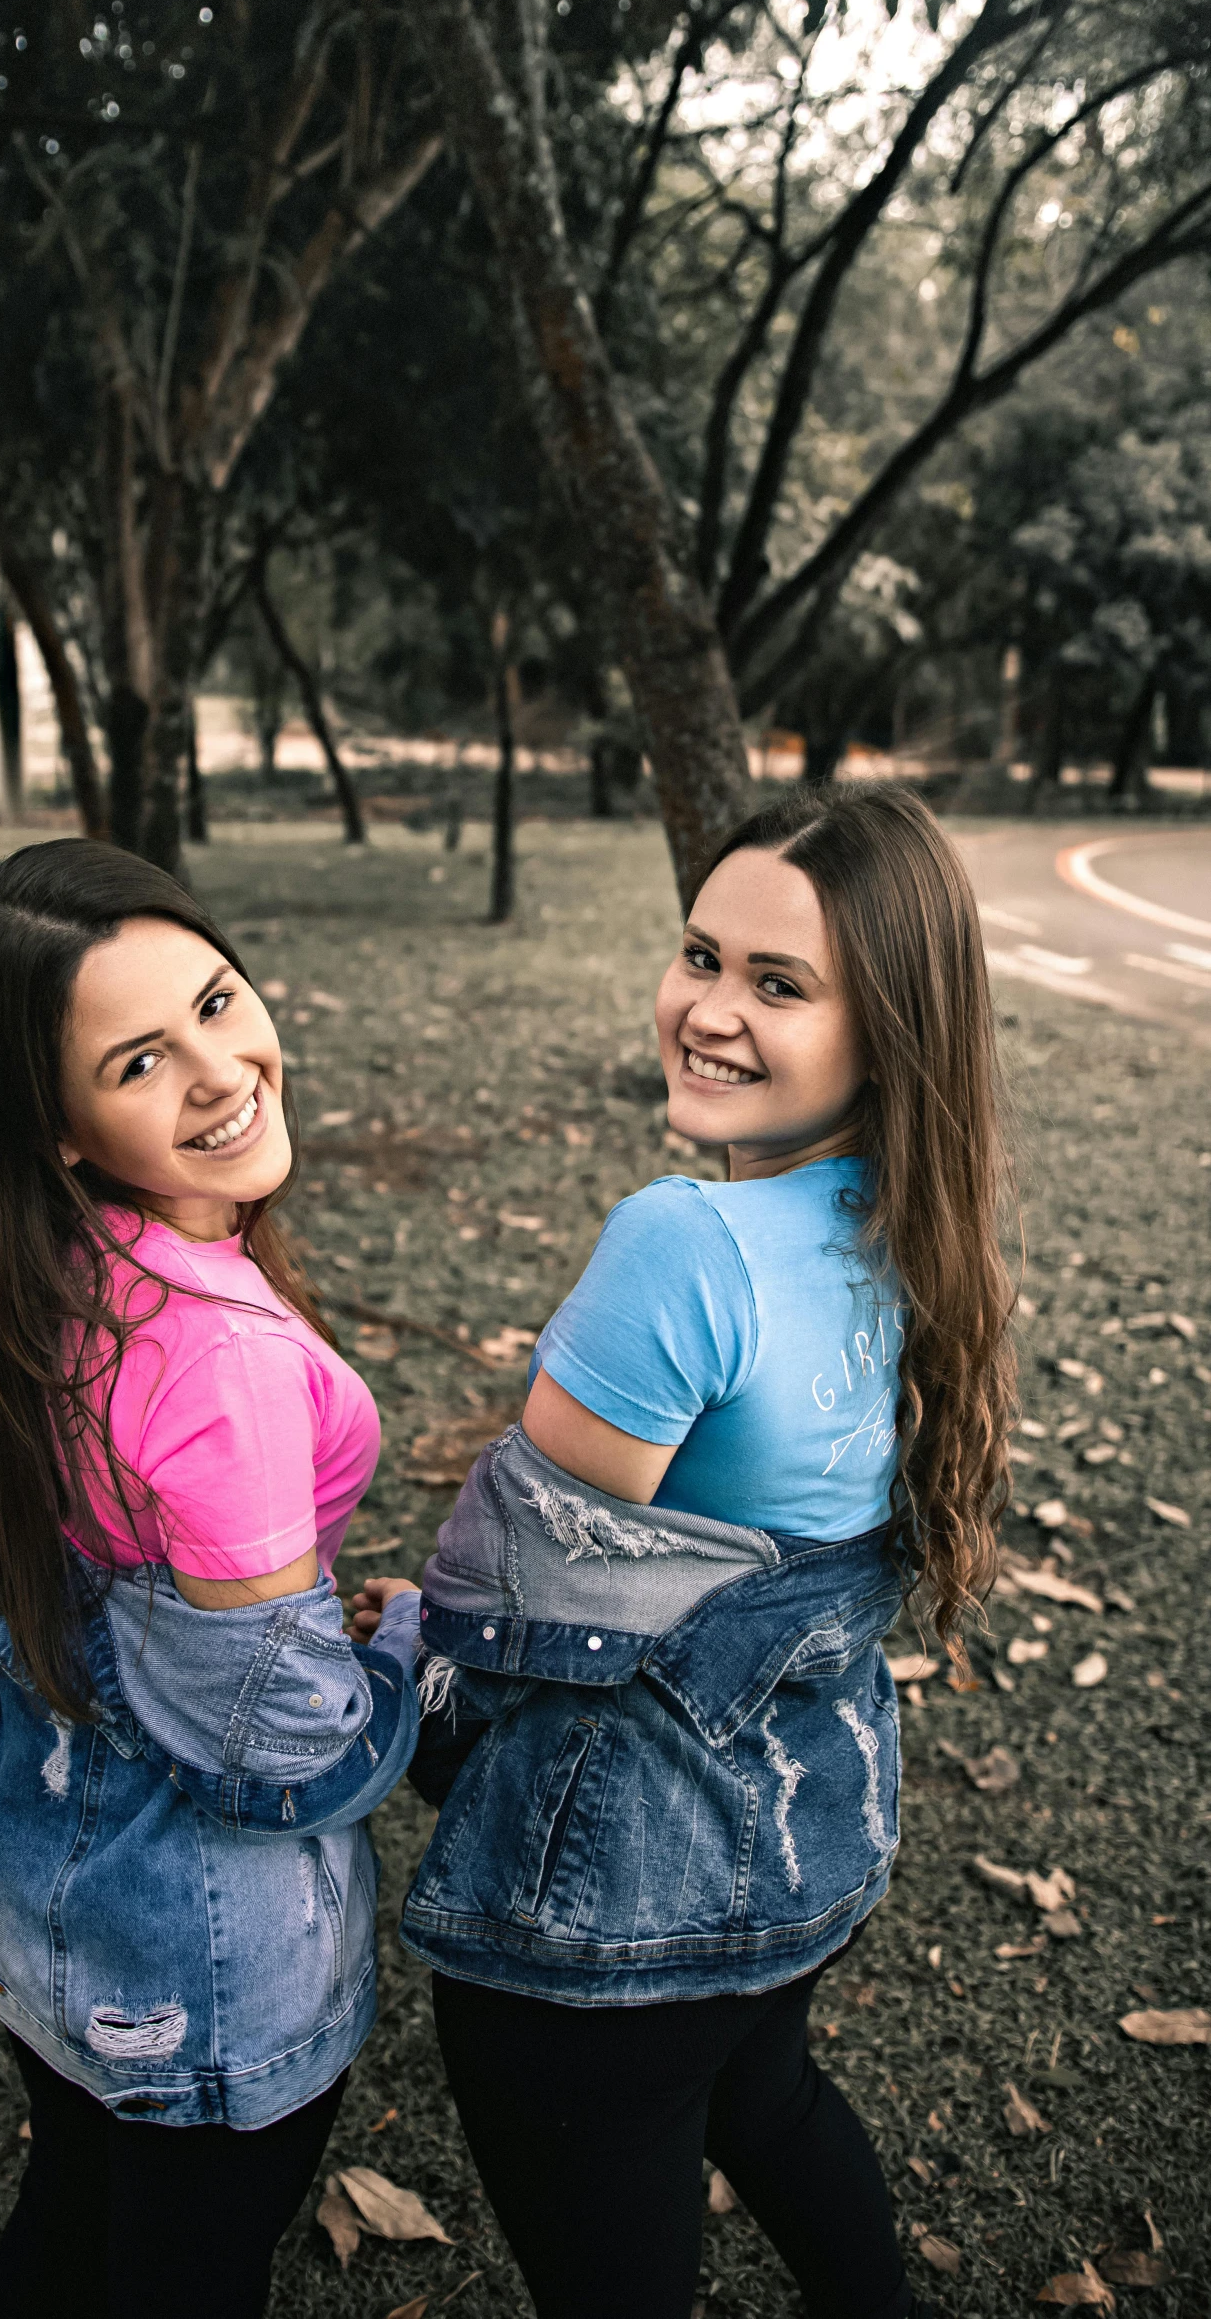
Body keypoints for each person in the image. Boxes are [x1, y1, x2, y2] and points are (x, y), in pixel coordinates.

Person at [359, 783, 1015, 2319]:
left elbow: (514, 1606)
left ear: (889, 1026)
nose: (705, 1011)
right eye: (698, 953)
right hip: (803, 1840)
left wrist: (404, 1649)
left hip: (609, 1899)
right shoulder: (920, 1223)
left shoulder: (682, 1241)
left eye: (776, 984)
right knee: (768, 2103)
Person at [0, 841, 419, 2319]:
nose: (225, 1071)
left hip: (22, 1895)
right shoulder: (218, 1360)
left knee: (76, 2195)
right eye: (144, 1058)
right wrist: (407, 1656)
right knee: (181, 2265)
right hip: (195, 1953)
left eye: (219, 1002)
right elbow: (279, 1739)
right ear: (60, 1126)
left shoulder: (3, 1276)